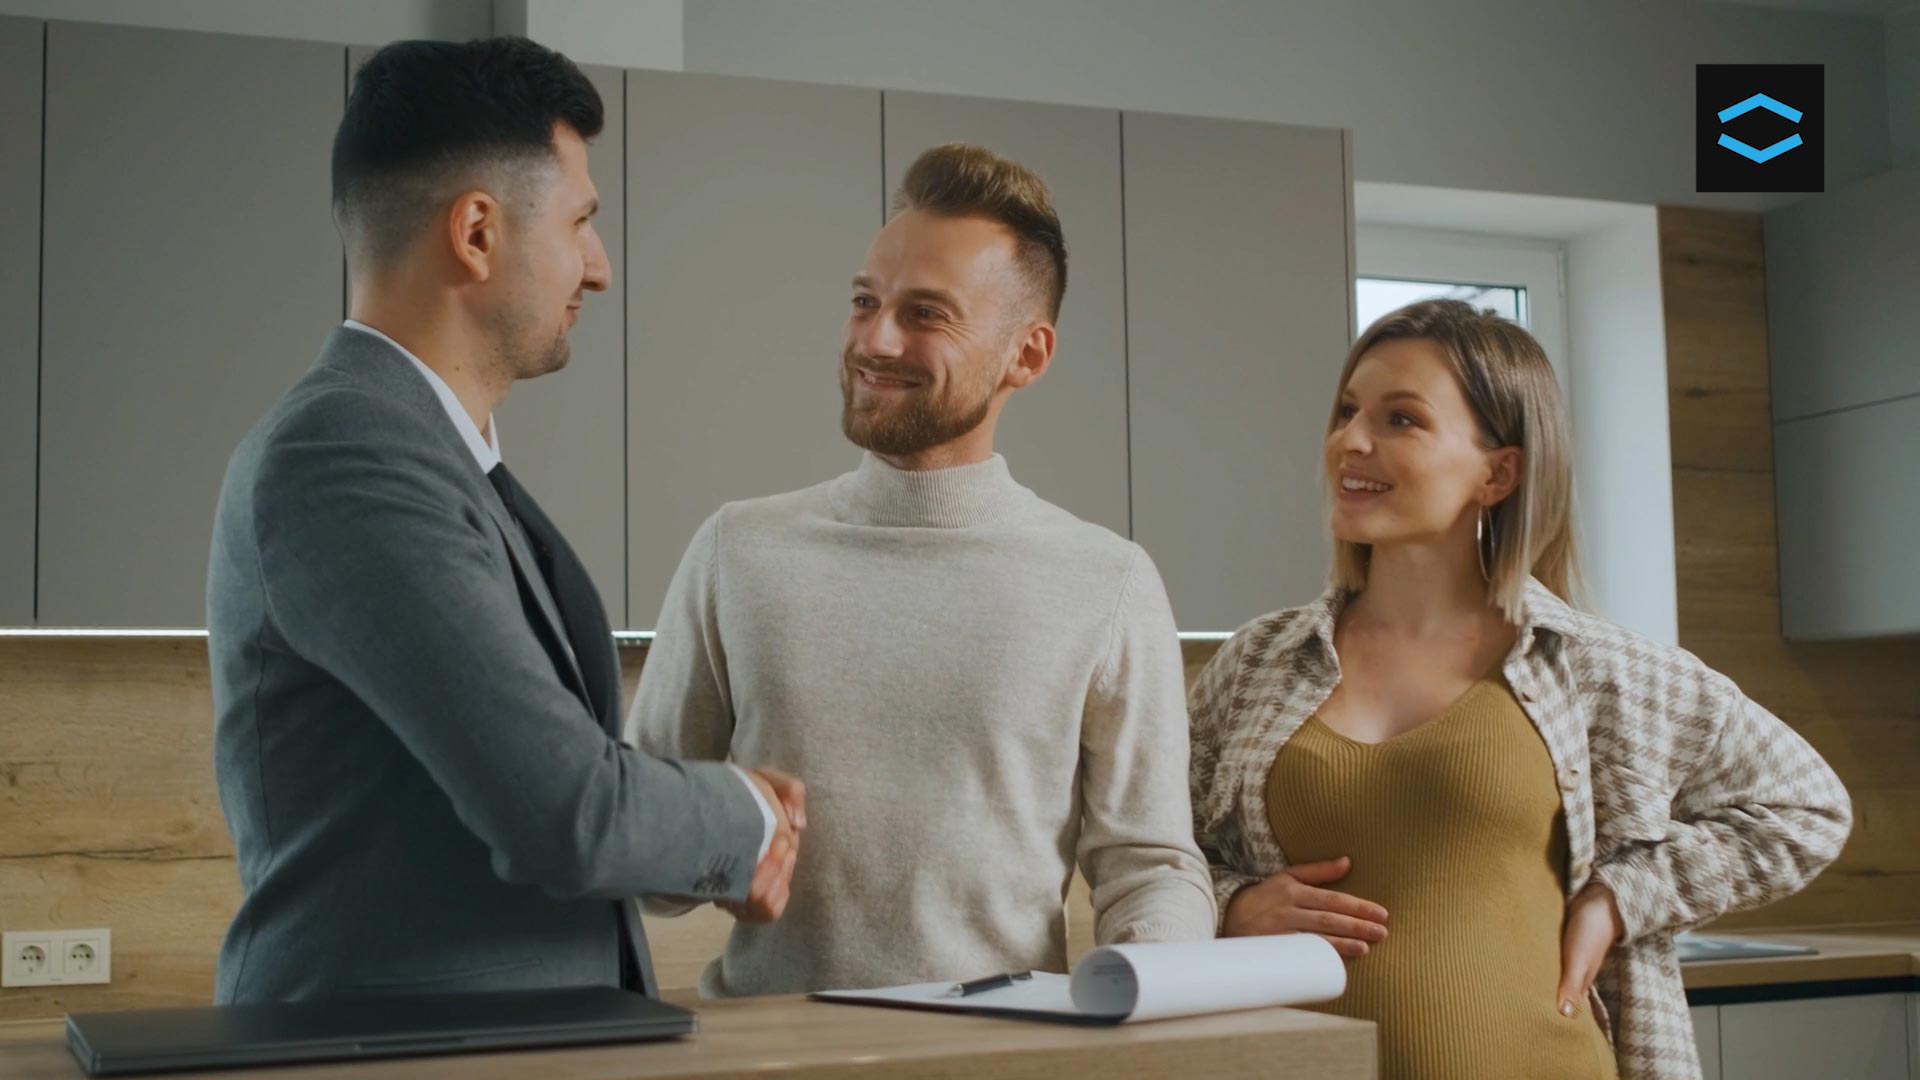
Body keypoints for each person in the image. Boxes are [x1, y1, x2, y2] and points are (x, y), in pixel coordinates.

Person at [206, 37, 802, 1004]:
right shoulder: (345, 457)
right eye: (581, 222)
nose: (598, 268)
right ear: (477, 233)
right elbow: (562, 806)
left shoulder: (427, 454)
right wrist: (747, 818)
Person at [1188, 299, 1851, 1080]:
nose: (1350, 441)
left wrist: (1620, 898)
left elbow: (1809, 807)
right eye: (1346, 411)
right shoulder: (1258, 662)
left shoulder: (1599, 668)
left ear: (1497, 472)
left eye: (1401, 419)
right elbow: (1149, 850)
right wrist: (1231, 905)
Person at [627, 143, 1215, 997]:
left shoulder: (1108, 582)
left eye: (927, 314)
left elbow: (1150, 864)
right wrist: (715, 840)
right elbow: (636, 851)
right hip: (770, 1057)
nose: (875, 339)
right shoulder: (738, 552)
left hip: (1005, 1055)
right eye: (866, 301)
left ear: (1028, 355)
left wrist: (1146, 984)